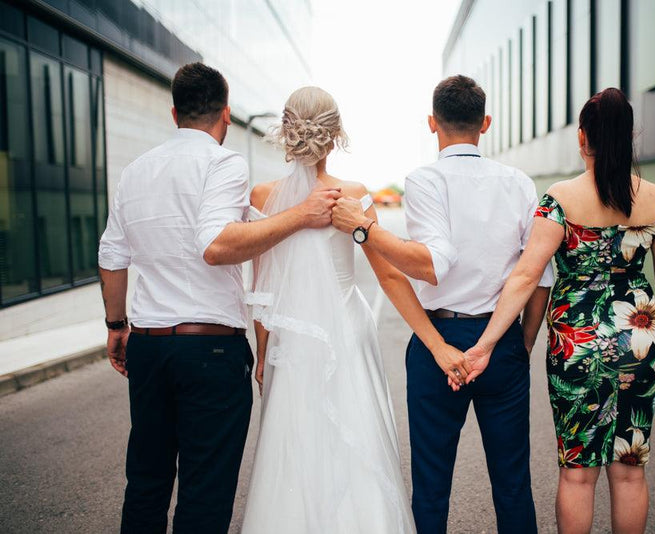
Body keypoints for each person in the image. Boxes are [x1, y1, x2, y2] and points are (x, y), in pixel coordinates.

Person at [97, 63, 340, 534]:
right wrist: (302, 214)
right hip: (209, 350)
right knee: (204, 494)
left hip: (147, 346)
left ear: (174, 113)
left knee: (145, 483)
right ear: (226, 114)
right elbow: (216, 245)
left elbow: (112, 255)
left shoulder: (135, 171)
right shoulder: (223, 163)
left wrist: (115, 326)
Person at [332, 75, 554, 534]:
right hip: (502, 339)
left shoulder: (425, 180)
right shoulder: (517, 183)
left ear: (432, 123)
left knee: (431, 485)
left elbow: (433, 262)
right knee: (513, 483)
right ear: (485, 123)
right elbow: (538, 280)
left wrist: (366, 230)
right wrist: (519, 344)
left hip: (441, 341)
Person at [465, 88, 655, 534]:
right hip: (640, 340)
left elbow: (526, 276)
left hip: (577, 344)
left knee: (578, 472)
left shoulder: (560, 198)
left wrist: (487, 343)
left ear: (583, 138)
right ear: (628, 138)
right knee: (629, 468)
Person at [241, 86, 426, 533]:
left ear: (287, 132)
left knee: (296, 440)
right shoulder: (354, 193)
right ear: (335, 133)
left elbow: (262, 288)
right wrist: (432, 338)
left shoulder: (264, 196)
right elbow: (387, 275)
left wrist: (263, 354)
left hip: (291, 335)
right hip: (346, 326)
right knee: (353, 435)